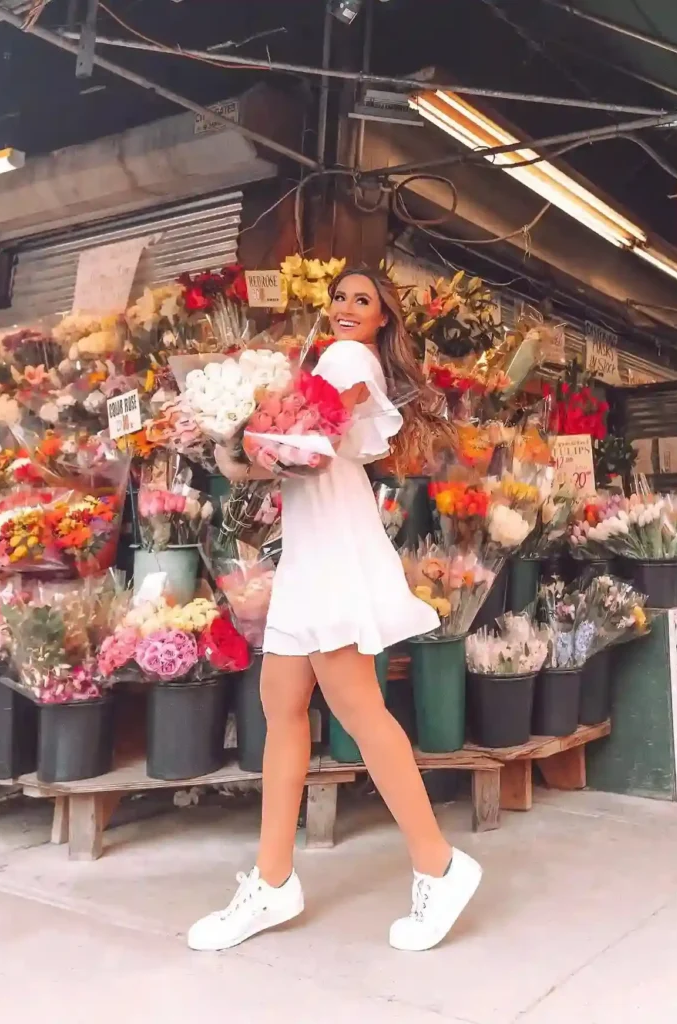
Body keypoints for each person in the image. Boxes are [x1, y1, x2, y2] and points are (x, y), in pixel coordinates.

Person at [188, 268, 482, 954]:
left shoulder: (347, 361)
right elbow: (298, 453)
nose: (347, 308)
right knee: (283, 704)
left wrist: (258, 433)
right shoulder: (334, 360)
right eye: (341, 298)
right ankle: (272, 881)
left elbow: (317, 436)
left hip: (333, 560)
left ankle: (439, 865)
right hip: (314, 555)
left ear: (383, 318)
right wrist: (238, 438)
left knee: (356, 710)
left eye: (363, 301)